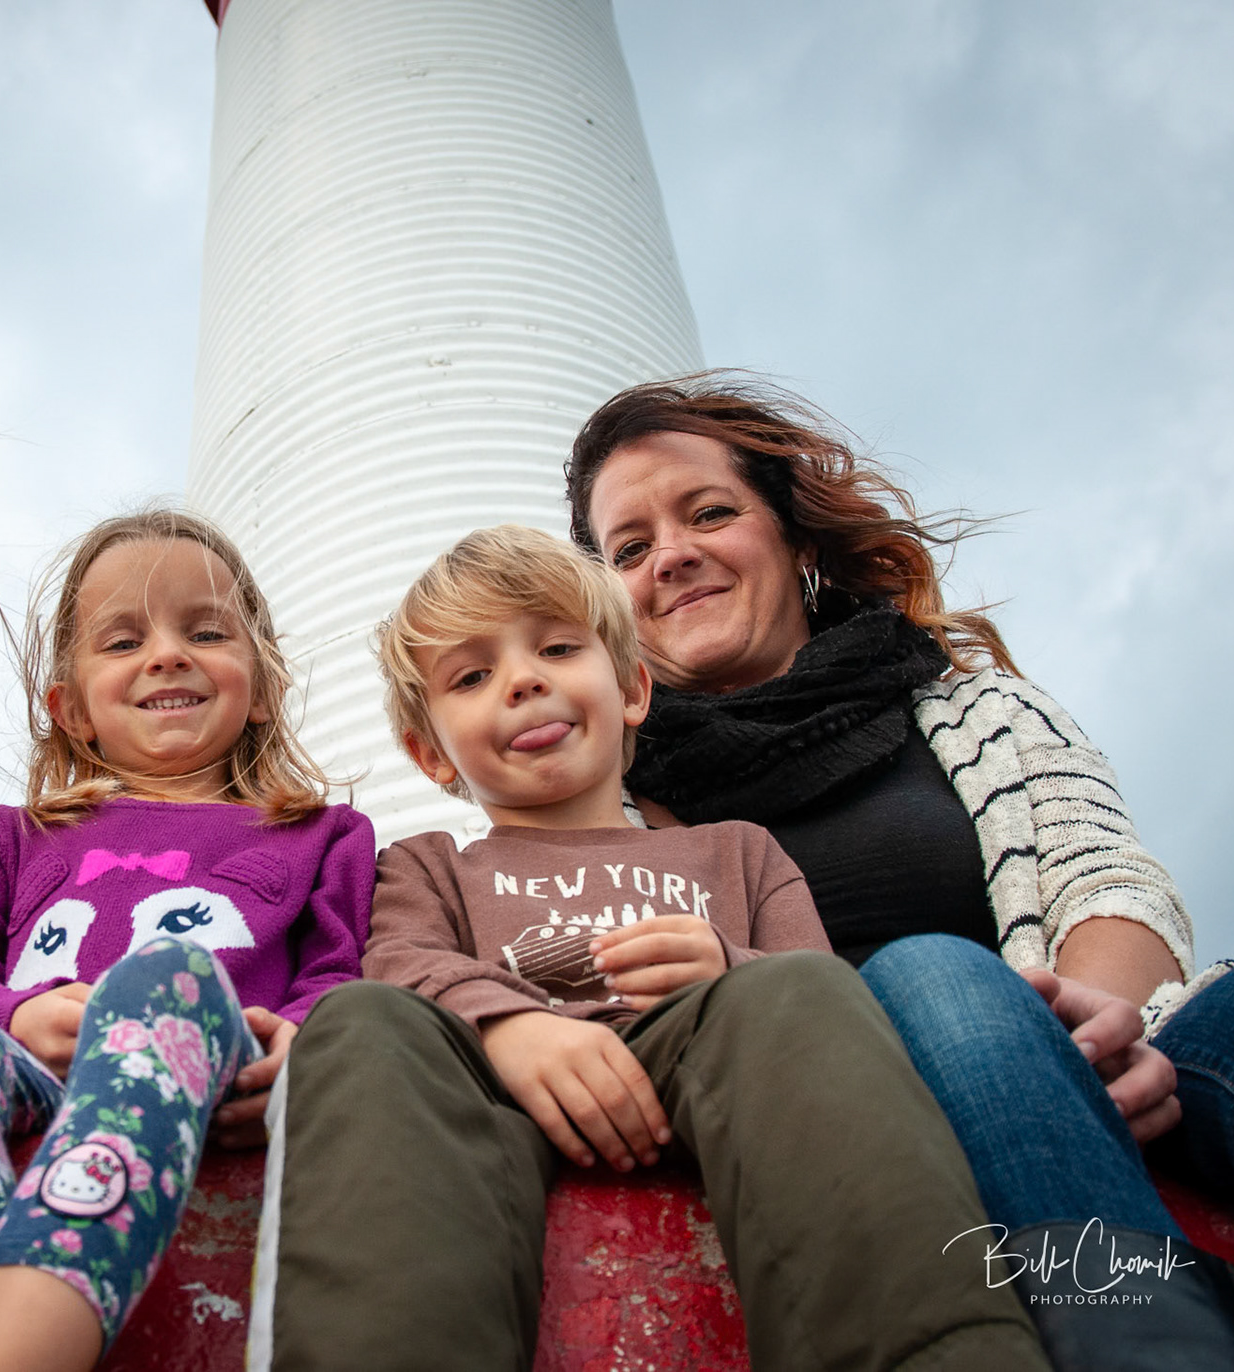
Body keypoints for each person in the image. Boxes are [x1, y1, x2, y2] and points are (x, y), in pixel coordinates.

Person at [566, 373, 1234, 1368]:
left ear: (798, 543)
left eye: (710, 513)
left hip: (1090, 1054)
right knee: (932, 971)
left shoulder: (979, 710)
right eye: (630, 549)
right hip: (864, 1122)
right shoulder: (600, 809)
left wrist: (1096, 1039)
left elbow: (1106, 880)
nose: (671, 555)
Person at [248, 525, 1049, 1372]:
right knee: (364, 1019)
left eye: (558, 648)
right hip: (495, 1098)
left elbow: (825, 995)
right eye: (472, 677)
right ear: (429, 753)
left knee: (796, 994)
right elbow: (400, 965)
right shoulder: (426, 865)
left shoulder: (741, 851)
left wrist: (728, 970)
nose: (523, 681)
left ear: (632, 689)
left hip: (710, 1064)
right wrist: (509, 1026)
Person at [0, 510, 374, 1372]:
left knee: (166, 972)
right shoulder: (7, 837)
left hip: (208, 1073)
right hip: (31, 1077)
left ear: (262, 684)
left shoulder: (326, 834)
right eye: (123, 641)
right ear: (71, 709)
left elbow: (338, 979)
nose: (166, 654)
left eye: (206, 632)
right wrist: (19, 1018)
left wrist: (300, 1046)